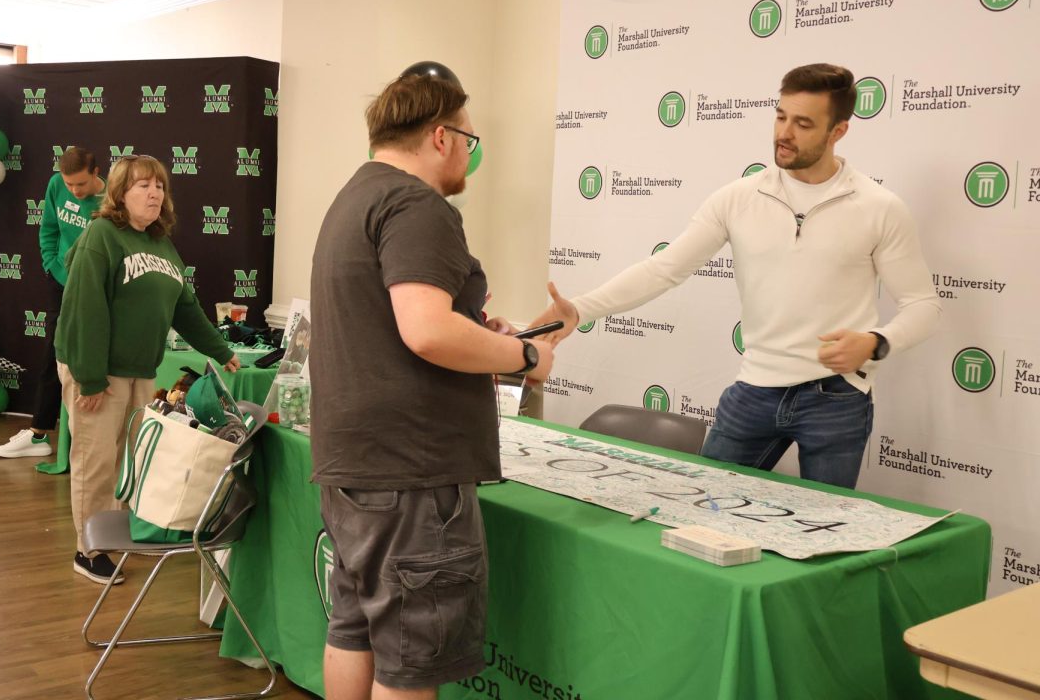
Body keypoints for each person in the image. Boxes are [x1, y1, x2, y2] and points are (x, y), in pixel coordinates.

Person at [533, 63, 941, 489]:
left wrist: (874, 343)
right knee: (703, 507)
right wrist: (580, 308)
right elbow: (664, 269)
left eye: (803, 123)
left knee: (827, 538)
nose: (784, 133)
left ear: (839, 131)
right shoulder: (738, 198)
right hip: (755, 389)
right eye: (781, 116)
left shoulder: (879, 207)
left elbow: (923, 306)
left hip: (835, 397)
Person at [309, 71, 554, 699]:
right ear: (442, 136)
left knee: (355, 627)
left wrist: (479, 333)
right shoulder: (418, 205)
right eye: (471, 141)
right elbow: (425, 332)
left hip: (357, 464)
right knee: (411, 658)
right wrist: (523, 353)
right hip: (411, 472)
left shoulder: (354, 198)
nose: (471, 156)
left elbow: (402, 326)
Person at [55, 154, 240, 584]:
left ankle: (114, 537)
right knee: (95, 461)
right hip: (98, 369)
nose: (154, 193)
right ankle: (89, 550)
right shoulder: (102, 235)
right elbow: (85, 308)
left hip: (140, 370)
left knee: (126, 461)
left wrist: (219, 348)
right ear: (119, 193)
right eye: (142, 186)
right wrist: (90, 377)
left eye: (159, 186)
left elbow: (184, 307)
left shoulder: (160, 244)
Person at [0, 146, 104, 459]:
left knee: (88, 356)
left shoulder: (112, 200)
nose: (74, 190)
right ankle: (39, 432)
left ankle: (85, 437)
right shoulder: (56, 184)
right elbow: (49, 229)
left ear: (96, 174)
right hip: (60, 280)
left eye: (80, 184)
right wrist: (50, 265)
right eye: (69, 184)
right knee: (54, 354)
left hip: (94, 288)